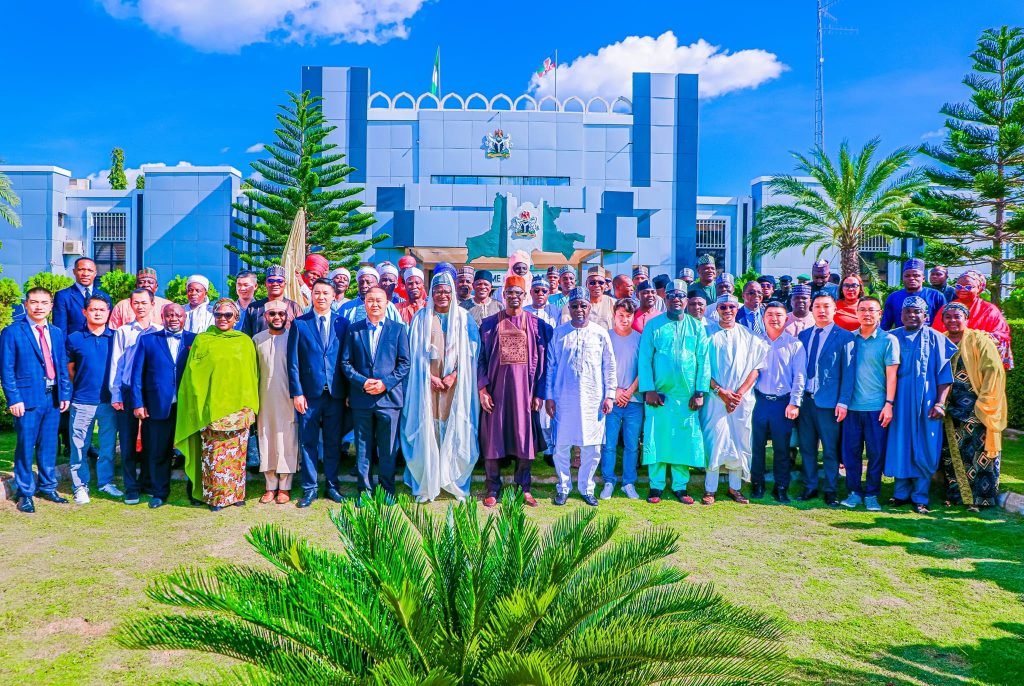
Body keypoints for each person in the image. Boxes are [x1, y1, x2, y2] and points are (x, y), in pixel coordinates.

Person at [401, 273, 480, 503]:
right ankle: (427, 483)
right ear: (431, 293)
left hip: (456, 389)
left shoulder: (464, 320)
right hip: (427, 388)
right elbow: (414, 356)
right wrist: (429, 377)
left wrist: (454, 375)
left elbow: (472, 356)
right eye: (438, 291)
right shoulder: (420, 319)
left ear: (452, 293)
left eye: (446, 291)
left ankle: (453, 480)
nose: (442, 295)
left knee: (455, 429)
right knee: (429, 431)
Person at [175, 299, 260, 511]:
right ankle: (215, 498)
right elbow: (192, 375)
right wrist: (198, 403)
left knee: (237, 456)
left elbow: (251, 375)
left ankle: (236, 495)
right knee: (213, 457)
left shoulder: (244, 341)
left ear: (236, 318)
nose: (223, 319)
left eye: (228, 315)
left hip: (238, 409)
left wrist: (250, 406)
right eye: (219, 314)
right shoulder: (203, 340)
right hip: (210, 409)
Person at [477, 274, 551, 507]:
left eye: (518, 293)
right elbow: (479, 360)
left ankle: (524, 487)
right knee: (493, 440)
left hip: (524, 395)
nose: (514, 297)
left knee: (524, 439)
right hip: (496, 394)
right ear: (503, 295)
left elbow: (545, 363)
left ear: (524, 296)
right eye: (509, 293)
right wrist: (482, 389)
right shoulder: (489, 324)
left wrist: (539, 393)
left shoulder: (538, 325)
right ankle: (492, 488)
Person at [1, 287, 72, 513]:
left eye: (44, 303)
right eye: (34, 302)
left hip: (52, 397)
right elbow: (6, 369)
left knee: (49, 444)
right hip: (26, 398)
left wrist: (65, 394)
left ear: (51, 306)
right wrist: (14, 398)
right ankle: (25, 492)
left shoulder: (57, 333)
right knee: (25, 445)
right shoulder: (12, 332)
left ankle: (48, 486)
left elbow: (61, 365)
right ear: (26, 304)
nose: (39, 307)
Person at [638, 280, 710, 504]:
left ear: (686, 300)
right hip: (659, 396)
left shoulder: (696, 327)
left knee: (683, 439)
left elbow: (703, 360)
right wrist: (648, 390)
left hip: (686, 397)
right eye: (671, 295)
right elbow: (644, 359)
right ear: (665, 299)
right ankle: (656, 486)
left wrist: (700, 392)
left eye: (680, 295)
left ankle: (680, 486)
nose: (676, 298)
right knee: (657, 438)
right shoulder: (653, 325)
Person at [884, 296, 956, 514]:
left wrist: (940, 404)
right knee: (899, 445)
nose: (912, 316)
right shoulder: (891, 337)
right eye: (908, 312)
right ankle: (900, 494)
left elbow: (944, 376)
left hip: (927, 404)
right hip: (898, 402)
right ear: (901, 315)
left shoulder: (936, 339)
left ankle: (921, 496)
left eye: (917, 312)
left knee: (926, 446)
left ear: (926, 316)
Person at [546, 287, 616, 507]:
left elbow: (610, 367)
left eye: (583, 305)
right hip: (563, 399)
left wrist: (610, 396)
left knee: (592, 447)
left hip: (593, 400)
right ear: (569, 307)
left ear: (590, 307)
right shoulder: (559, 333)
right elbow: (550, 367)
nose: (578, 309)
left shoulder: (600, 333)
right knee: (561, 446)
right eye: (574, 305)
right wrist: (549, 396)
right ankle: (564, 487)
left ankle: (586, 488)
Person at [342, 286, 411, 504]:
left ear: (386, 302)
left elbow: (404, 363)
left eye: (379, 300)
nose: (374, 304)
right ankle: (365, 491)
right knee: (363, 447)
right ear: (365, 303)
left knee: (387, 448)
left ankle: (387, 491)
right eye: (370, 300)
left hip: (388, 400)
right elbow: (345, 363)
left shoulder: (398, 329)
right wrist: (363, 382)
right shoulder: (354, 330)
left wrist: (385, 384)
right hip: (361, 399)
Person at [288, 279, 350, 507]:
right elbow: (292, 362)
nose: (321, 297)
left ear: (334, 296)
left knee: (333, 442)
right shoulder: (300, 324)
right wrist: (297, 393)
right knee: (308, 442)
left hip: (335, 394)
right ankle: (310, 489)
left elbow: (347, 359)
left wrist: (347, 392)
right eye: (317, 293)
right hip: (309, 395)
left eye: (326, 293)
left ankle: (332, 486)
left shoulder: (343, 324)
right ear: (311, 295)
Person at [940, 302, 1007, 511]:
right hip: (949, 409)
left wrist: (985, 403)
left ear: (966, 319)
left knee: (979, 454)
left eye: (957, 316)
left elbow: (994, 371)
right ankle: (957, 496)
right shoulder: (939, 340)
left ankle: (980, 499)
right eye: (948, 316)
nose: (952, 320)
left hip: (977, 407)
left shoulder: (980, 340)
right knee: (953, 454)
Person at [701, 295, 767, 505]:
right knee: (714, 440)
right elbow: (700, 367)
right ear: (717, 309)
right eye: (723, 306)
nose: (727, 310)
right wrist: (721, 391)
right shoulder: (706, 335)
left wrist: (738, 394)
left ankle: (735, 488)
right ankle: (710, 489)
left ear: (737, 309)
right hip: (715, 399)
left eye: (731, 306)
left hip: (741, 400)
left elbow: (756, 368)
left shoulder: (749, 336)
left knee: (740, 440)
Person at [130, 303, 196, 509]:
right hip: (158, 406)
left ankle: (194, 492)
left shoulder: (196, 340)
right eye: (169, 315)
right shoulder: (148, 340)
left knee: (191, 452)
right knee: (159, 451)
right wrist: (138, 403)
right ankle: (159, 492)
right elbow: (137, 375)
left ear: (184, 317)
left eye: (178, 315)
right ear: (162, 317)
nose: (174, 318)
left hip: (188, 408)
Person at [840, 296, 899, 512]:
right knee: (851, 453)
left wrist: (889, 404)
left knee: (875, 454)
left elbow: (892, 376)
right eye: (862, 309)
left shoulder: (888, 340)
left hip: (877, 408)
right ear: (856, 313)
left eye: (872, 310)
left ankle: (873, 494)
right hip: (851, 409)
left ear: (880, 313)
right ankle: (854, 492)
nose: (867, 314)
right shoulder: (848, 339)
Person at [797, 294, 856, 507]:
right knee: (807, 447)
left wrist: (843, 402)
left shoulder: (845, 337)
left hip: (830, 404)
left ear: (834, 310)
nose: (822, 311)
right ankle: (810, 486)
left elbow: (848, 374)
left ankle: (831, 489)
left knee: (830, 450)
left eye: (826, 307)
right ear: (812, 309)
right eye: (818, 306)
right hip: (805, 402)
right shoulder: (803, 336)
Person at [66, 295, 121, 504]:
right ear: (85, 312)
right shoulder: (74, 338)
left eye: (102, 310)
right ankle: (80, 485)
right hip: (82, 401)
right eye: (93, 309)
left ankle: (105, 482)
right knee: (79, 445)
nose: (98, 313)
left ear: (108, 313)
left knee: (107, 445)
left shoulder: (115, 337)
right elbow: (71, 369)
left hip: (108, 401)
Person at [109, 288, 162, 505]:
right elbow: (116, 363)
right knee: (128, 441)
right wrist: (116, 393)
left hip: (151, 394)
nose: (140, 306)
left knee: (151, 440)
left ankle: (148, 482)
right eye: (136, 303)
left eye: (144, 302)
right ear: (131, 305)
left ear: (152, 305)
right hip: (128, 391)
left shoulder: (160, 331)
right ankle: (131, 487)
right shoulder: (123, 331)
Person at [750, 301, 804, 502]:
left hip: (783, 403)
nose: (774, 318)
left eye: (779, 315)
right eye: (770, 314)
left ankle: (781, 487)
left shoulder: (794, 345)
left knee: (782, 449)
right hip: (760, 402)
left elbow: (799, 377)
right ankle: (757, 485)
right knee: (757, 446)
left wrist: (794, 403)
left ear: (786, 318)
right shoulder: (757, 343)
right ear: (764, 318)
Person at [253, 301, 300, 504]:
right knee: (266, 438)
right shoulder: (256, 340)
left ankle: (285, 486)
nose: (277, 317)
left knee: (287, 439)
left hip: (288, 399)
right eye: (273, 313)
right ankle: (270, 485)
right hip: (263, 399)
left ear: (287, 316)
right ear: (266, 317)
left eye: (282, 313)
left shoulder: (294, 339)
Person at [601, 298, 643, 500]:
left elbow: (644, 369)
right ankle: (608, 480)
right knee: (608, 444)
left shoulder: (640, 339)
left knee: (631, 445)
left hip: (634, 401)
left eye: (628, 316)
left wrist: (629, 391)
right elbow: (600, 367)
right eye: (621, 315)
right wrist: (615, 391)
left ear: (633, 317)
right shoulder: (605, 337)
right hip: (611, 400)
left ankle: (628, 483)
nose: (624, 320)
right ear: (614, 315)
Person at [932, 271, 1014, 370]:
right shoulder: (947, 308)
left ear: (979, 288)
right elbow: (935, 334)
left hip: (979, 364)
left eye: (968, 287)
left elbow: (1001, 335)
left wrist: (973, 340)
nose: (962, 290)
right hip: (949, 362)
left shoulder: (990, 310)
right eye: (958, 286)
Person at [881, 259, 946, 330]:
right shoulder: (893, 297)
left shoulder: (936, 296)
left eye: (916, 275)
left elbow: (944, 322)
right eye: (907, 276)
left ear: (923, 278)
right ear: (902, 278)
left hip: (929, 339)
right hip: (901, 339)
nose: (911, 278)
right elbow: (885, 326)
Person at [243, 265, 304, 336]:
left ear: (285, 284)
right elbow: (246, 336)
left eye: (279, 281)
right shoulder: (253, 308)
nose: (275, 284)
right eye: (271, 281)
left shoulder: (294, 307)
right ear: (265, 284)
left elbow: (302, 335)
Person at [53, 257, 108, 335]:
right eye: (81, 269)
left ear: (95, 273)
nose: (85, 274)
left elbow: (107, 325)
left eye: (90, 270)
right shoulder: (63, 296)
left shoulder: (105, 297)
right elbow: (60, 329)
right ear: (74, 271)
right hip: (73, 345)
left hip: (98, 344)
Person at [108, 267, 173, 329]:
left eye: (150, 282)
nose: (146, 285)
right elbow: (114, 330)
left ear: (156, 287)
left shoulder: (167, 305)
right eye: (141, 282)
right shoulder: (122, 305)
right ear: (136, 286)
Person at [338, 266, 403, 323]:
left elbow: (398, 331)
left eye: (368, 282)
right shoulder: (347, 307)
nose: (364, 285)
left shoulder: (389, 306)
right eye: (361, 282)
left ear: (377, 285)